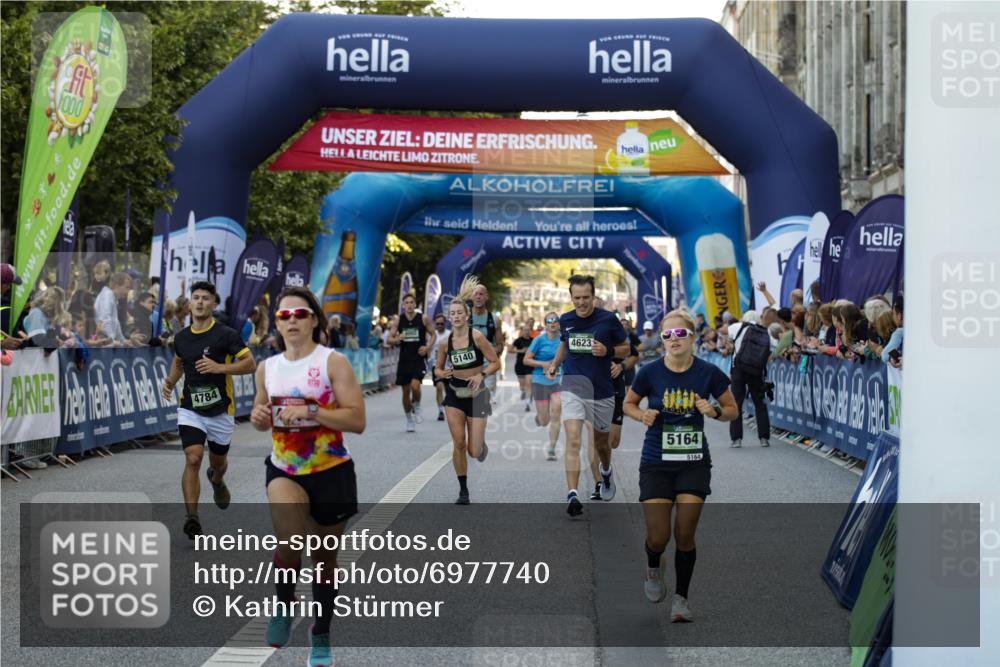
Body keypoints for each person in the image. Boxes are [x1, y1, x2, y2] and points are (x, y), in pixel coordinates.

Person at [249, 287, 365, 667]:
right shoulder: (267, 368)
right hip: (285, 468)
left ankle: (321, 633)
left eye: (300, 314)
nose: (292, 321)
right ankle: (283, 602)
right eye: (284, 316)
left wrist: (313, 410)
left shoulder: (333, 363)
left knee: (324, 560)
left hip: (331, 471)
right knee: (289, 541)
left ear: (314, 318)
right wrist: (259, 418)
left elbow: (356, 420)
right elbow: (259, 415)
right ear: (277, 324)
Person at [623, 309, 738, 618]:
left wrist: (713, 411)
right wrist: (641, 415)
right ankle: (652, 565)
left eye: (680, 334)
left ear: (692, 337)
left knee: (685, 533)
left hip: (693, 462)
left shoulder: (708, 372)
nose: (673, 340)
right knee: (659, 536)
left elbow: (732, 410)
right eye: (667, 335)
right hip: (656, 461)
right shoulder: (649, 372)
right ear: (662, 339)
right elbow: (629, 404)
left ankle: (681, 600)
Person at [160, 281, 257, 539]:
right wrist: (170, 381)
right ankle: (192, 517)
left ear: (214, 304)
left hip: (221, 410)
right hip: (190, 407)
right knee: (192, 458)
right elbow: (179, 361)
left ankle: (216, 479)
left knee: (218, 463)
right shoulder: (181, 337)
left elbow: (250, 364)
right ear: (190, 303)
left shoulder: (226, 335)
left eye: (205, 298)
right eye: (196, 297)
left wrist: (220, 368)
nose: (200, 302)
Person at [545, 275, 629, 517]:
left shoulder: (608, 319)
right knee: (573, 438)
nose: (581, 302)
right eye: (577, 298)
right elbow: (564, 344)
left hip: (602, 391)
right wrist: (554, 364)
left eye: (585, 297)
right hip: (573, 385)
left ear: (593, 296)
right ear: (571, 297)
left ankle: (605, 471)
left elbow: (626, 349)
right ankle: (572, 494)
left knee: (602, 444)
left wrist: (608, 351)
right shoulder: (566, 319)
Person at [434, 275, 500, 505]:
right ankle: (463, 490)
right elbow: (437, 369)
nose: (456, 317)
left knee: (473, 450)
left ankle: (479, 446)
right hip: (455, 393)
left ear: (467, 314)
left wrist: (480, 374)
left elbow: (496, 362)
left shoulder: (478, 337)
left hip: (478, 394)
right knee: (459, 443)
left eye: (459, 313)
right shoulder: (445, 342)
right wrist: (444, 374)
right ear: (449, 318)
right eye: (452, 314)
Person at [726, 311, 772, 447]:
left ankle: (736, 439)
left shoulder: (735, 327)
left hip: (739, 368)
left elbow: (729, 346)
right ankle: (764, 438)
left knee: (736, 403)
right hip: (756, 369)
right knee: (759, 403)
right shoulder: (764, 331)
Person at [388, 293, 433, 432]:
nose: (409, 305)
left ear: (415, 304)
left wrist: (428, 347)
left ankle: (417, 405)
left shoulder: (423, 318)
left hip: (418, 359)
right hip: (404, 360)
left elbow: (434, 334)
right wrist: (398, 338)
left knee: (415, 386)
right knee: (405, 392)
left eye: (411, 302)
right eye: (406, 302)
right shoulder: (398, 320)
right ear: (403, 305)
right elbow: (389, 339)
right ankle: (409, 419)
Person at [524, 312, 563, 461]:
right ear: (545, 324)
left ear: (559, 324)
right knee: (545, 420)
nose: (552, 323)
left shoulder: (563, 340)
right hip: (540, 381)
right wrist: (542, 364)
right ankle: (540, 418)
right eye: (549, 321)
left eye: (555, 321)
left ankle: (552, 448)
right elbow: (526, 360)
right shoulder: (539, 340)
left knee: (557, 412)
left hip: (558, 380)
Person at [470, 284, 504, 399]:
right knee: (468, 402)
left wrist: (495, 350)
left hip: (488, 368)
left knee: (481, 403)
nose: (478, 296)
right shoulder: (465, 317)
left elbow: (500, 345)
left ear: (486, 297)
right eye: (476, 294)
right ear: (471, 296)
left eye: (481, 294)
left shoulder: (495, 319)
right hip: (469, 366)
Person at [94, 271, 132, 345]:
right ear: (117, 286)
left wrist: (123, 340)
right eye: (127, 287)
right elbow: (105, 319)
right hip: (103, 342)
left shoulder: (111, 297)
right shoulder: (107, 296)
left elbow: (115, 322)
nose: (128, 291)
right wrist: (112, 341)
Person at [427, 313, 450, 421]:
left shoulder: (450, 334)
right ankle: (441, 411)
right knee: (439, 387)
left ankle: (450, 409)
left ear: (445, 323)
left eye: (442, 323)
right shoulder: (433, 336)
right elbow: (428, 349)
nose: (440, 325)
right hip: (437, 366)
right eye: (437, 324)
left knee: (449, 390)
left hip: (449, 366)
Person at [509, 324, 534, 411]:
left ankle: (527, 403)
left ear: (531, 331)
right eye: (525, 330)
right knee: (522, 385)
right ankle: (523, 392)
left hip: (530, 365)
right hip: (520, 365)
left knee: (529, 383)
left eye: (528, 330)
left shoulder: (534, 341)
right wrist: (521, 350)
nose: (527, 331)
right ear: (522, 331)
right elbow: (510, 350)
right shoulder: (518, 341)